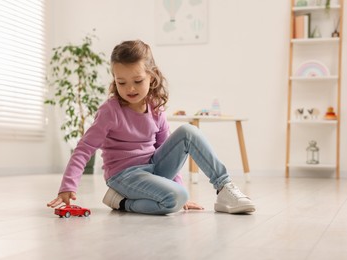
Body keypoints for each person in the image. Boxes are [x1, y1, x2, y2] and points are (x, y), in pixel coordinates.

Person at [47, 40, 255, 215]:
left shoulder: (155, 107)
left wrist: (179, 187)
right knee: (177, 197)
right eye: (121, 82)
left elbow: (168, 152)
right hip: (124, 175)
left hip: (154, 168)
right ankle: (121, 202)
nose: (129, 88)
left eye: (137, 81)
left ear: (152, 76)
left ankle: (224, 188)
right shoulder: (110, 111)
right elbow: (84, 149)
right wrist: (68, 185)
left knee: (188, 132)